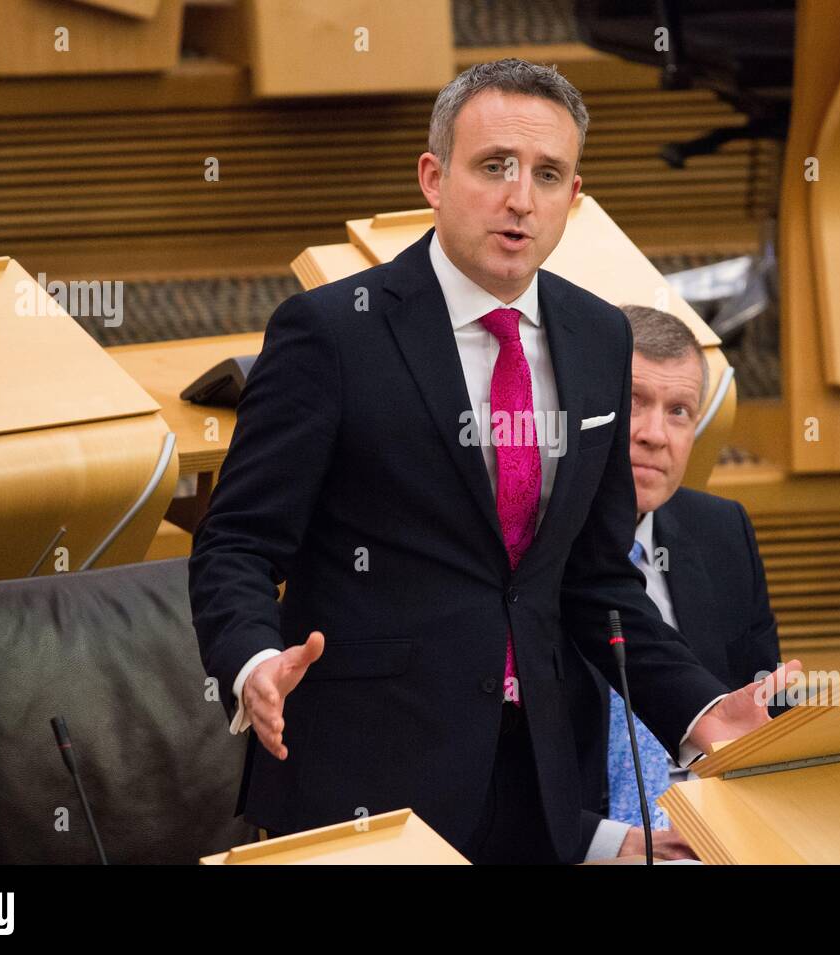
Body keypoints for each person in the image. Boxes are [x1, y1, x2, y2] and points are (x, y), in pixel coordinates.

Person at [189, 58, 798, 864]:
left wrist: (699, 708)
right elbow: (236, 541)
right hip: (364, 779)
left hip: (538, 782)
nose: (521, 198)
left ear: (574, 199)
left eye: (548, 175)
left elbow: (595, 578)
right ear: (433, 178)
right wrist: (254, 659)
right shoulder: (332, 333)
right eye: (495, 167)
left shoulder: (600, 337)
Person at [574, 305, 783, 862]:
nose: (653, 436)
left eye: (679, 412)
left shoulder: (720, 530)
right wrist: (608, 844)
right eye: (633, 403)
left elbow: (763, 715)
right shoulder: (524, 548)